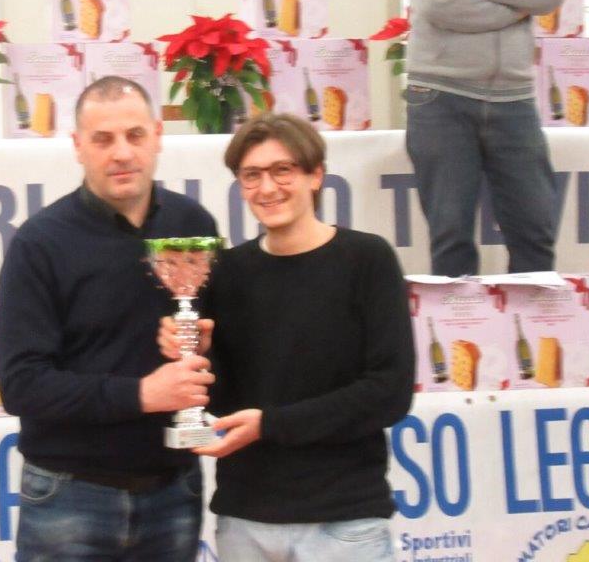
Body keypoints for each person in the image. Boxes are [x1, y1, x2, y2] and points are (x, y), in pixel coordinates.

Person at [160, 113, 414, 561]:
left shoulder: (366, 260)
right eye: (252, 175)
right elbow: (222, 402)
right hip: (245, 521)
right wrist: (197, 356)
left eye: (283, 170)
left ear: (315, 175)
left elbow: (389, 393)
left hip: (343, 522)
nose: (267, 187)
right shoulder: (225, 272)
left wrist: (270, 425)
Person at [0, 75, 219, 562]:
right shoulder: (40, 243)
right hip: (70, 495)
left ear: (157, 136)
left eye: (135, 135)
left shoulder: (193, 225)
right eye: (103, 139)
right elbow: (21, 385)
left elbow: (218, 358)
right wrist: (142, 395)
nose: (122, 153)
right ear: (78, 146)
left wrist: (204, 348)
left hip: (174, 489)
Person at [403, 0, 567, 277]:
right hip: (441, 99)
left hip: (514, 101)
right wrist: (515, 8)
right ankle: (460, 323)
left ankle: (530, 321)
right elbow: (434, 1)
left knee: (536, 231)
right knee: (451, 237)